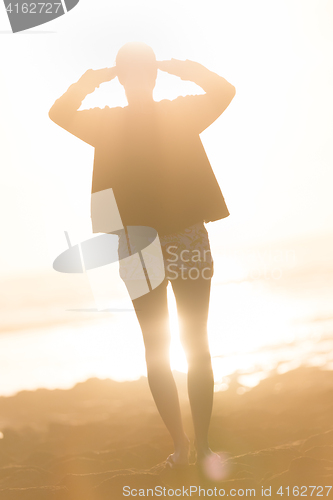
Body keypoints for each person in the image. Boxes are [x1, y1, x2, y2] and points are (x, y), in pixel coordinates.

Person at [49, 42, 236, 469]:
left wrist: (92, 81)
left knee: (163, 347)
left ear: (126, 76)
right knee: (192, 345)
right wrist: (181, 68)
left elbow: (59, 112)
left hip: (143, 243)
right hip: (170, 240)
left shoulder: (109, 122)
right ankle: (197, 446)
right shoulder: (172, 112)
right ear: (152, 74)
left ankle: (186, 446)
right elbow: (223, 90)